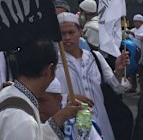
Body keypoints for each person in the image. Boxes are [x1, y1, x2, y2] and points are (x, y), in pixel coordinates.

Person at [55, 12, 130, 140]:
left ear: (80, 32)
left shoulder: (95, 57)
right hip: (72, 126)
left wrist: (118, 71)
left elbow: (116, 88)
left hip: (102, 122)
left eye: (71, 32)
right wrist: (68, 98)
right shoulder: (54, 63)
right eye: (63, 34)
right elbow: (46, 97)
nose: (67, 37)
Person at [0, 38, 81, 140]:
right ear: (50, 70)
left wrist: (61, 116)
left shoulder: (8, 93)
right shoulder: (21, 119)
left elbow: (34, 135)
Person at [37, 77, 103, 139]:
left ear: (58, 99)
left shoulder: (79, 121)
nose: (37, 105)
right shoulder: (31, 123)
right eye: (34, 100)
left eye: (41, 101)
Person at [126, 14, 143, 93]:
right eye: (134, 22)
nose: (135, 23)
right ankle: (133, 87)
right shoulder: (133, 29)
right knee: (132, 71)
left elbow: (142, 37)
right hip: (132, 53)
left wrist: (132, 34)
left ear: (141, 22)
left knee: (141, 72)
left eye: (137, 22)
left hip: (141, 53)